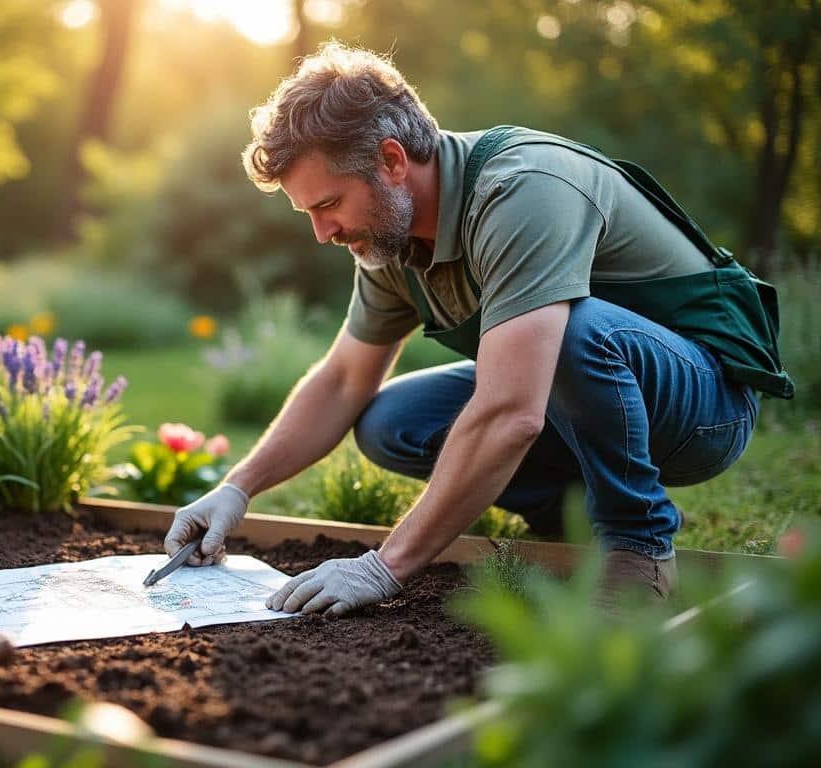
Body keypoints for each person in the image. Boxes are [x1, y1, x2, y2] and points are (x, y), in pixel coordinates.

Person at [163, 41, 792, 616]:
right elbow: (342, 380)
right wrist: (236, 488)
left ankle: (637, 545)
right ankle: (573, 520)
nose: (322, 232)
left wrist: (383, 567)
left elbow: (510, 412)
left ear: (391, 161)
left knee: (571, 329)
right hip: (588, 401)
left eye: (328, 205)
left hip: (703, 405)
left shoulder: (521, 192)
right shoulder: (390, 238)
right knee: (390, 422)